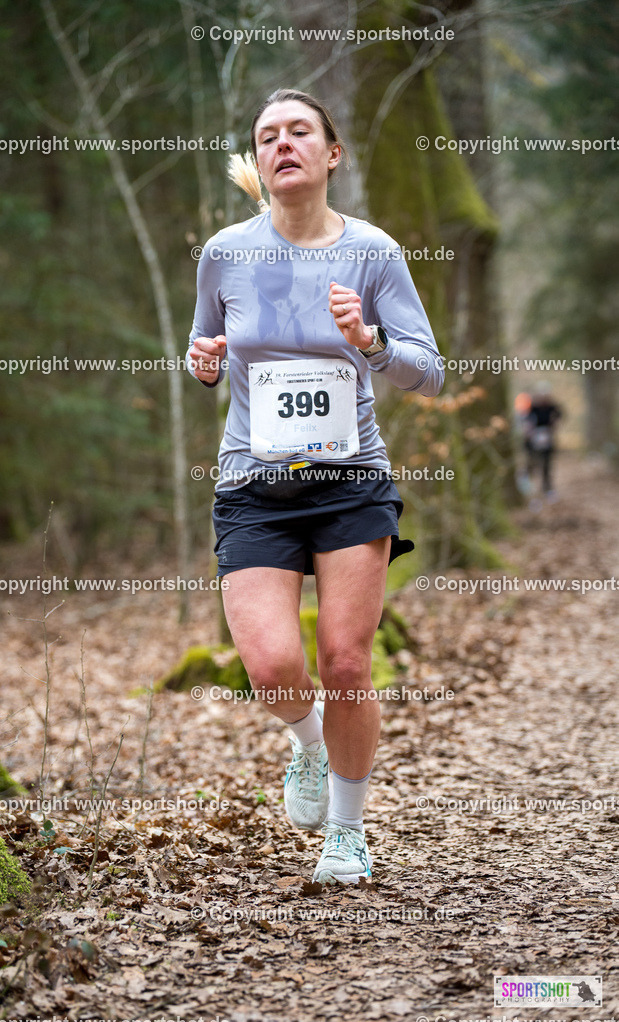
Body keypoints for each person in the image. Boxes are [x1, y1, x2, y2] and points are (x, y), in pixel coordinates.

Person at [186, 88, 444, 884]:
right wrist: (200, 365)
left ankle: (347, 830)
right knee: (268, 668)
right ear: (259, 163)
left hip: (350, 482)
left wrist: (367, 341)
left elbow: (427, 373)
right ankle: (306, 746)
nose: (282, 143)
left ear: (332, 155)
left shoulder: (372, 252)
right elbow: (203, 347)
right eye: (268, 136)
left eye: (300, 131)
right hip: (253, 484)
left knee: (344, 661)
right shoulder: (226, 251)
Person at [523, 381, 563, 500]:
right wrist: (529, 431)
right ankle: (528, 487)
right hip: (533, 439)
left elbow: (560, 417)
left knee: (547, 464)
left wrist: (554, 425)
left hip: (547, 439)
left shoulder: (553, 407)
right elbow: (526, 421)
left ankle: (547, 488)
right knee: (532, 463)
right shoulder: (532, 407)